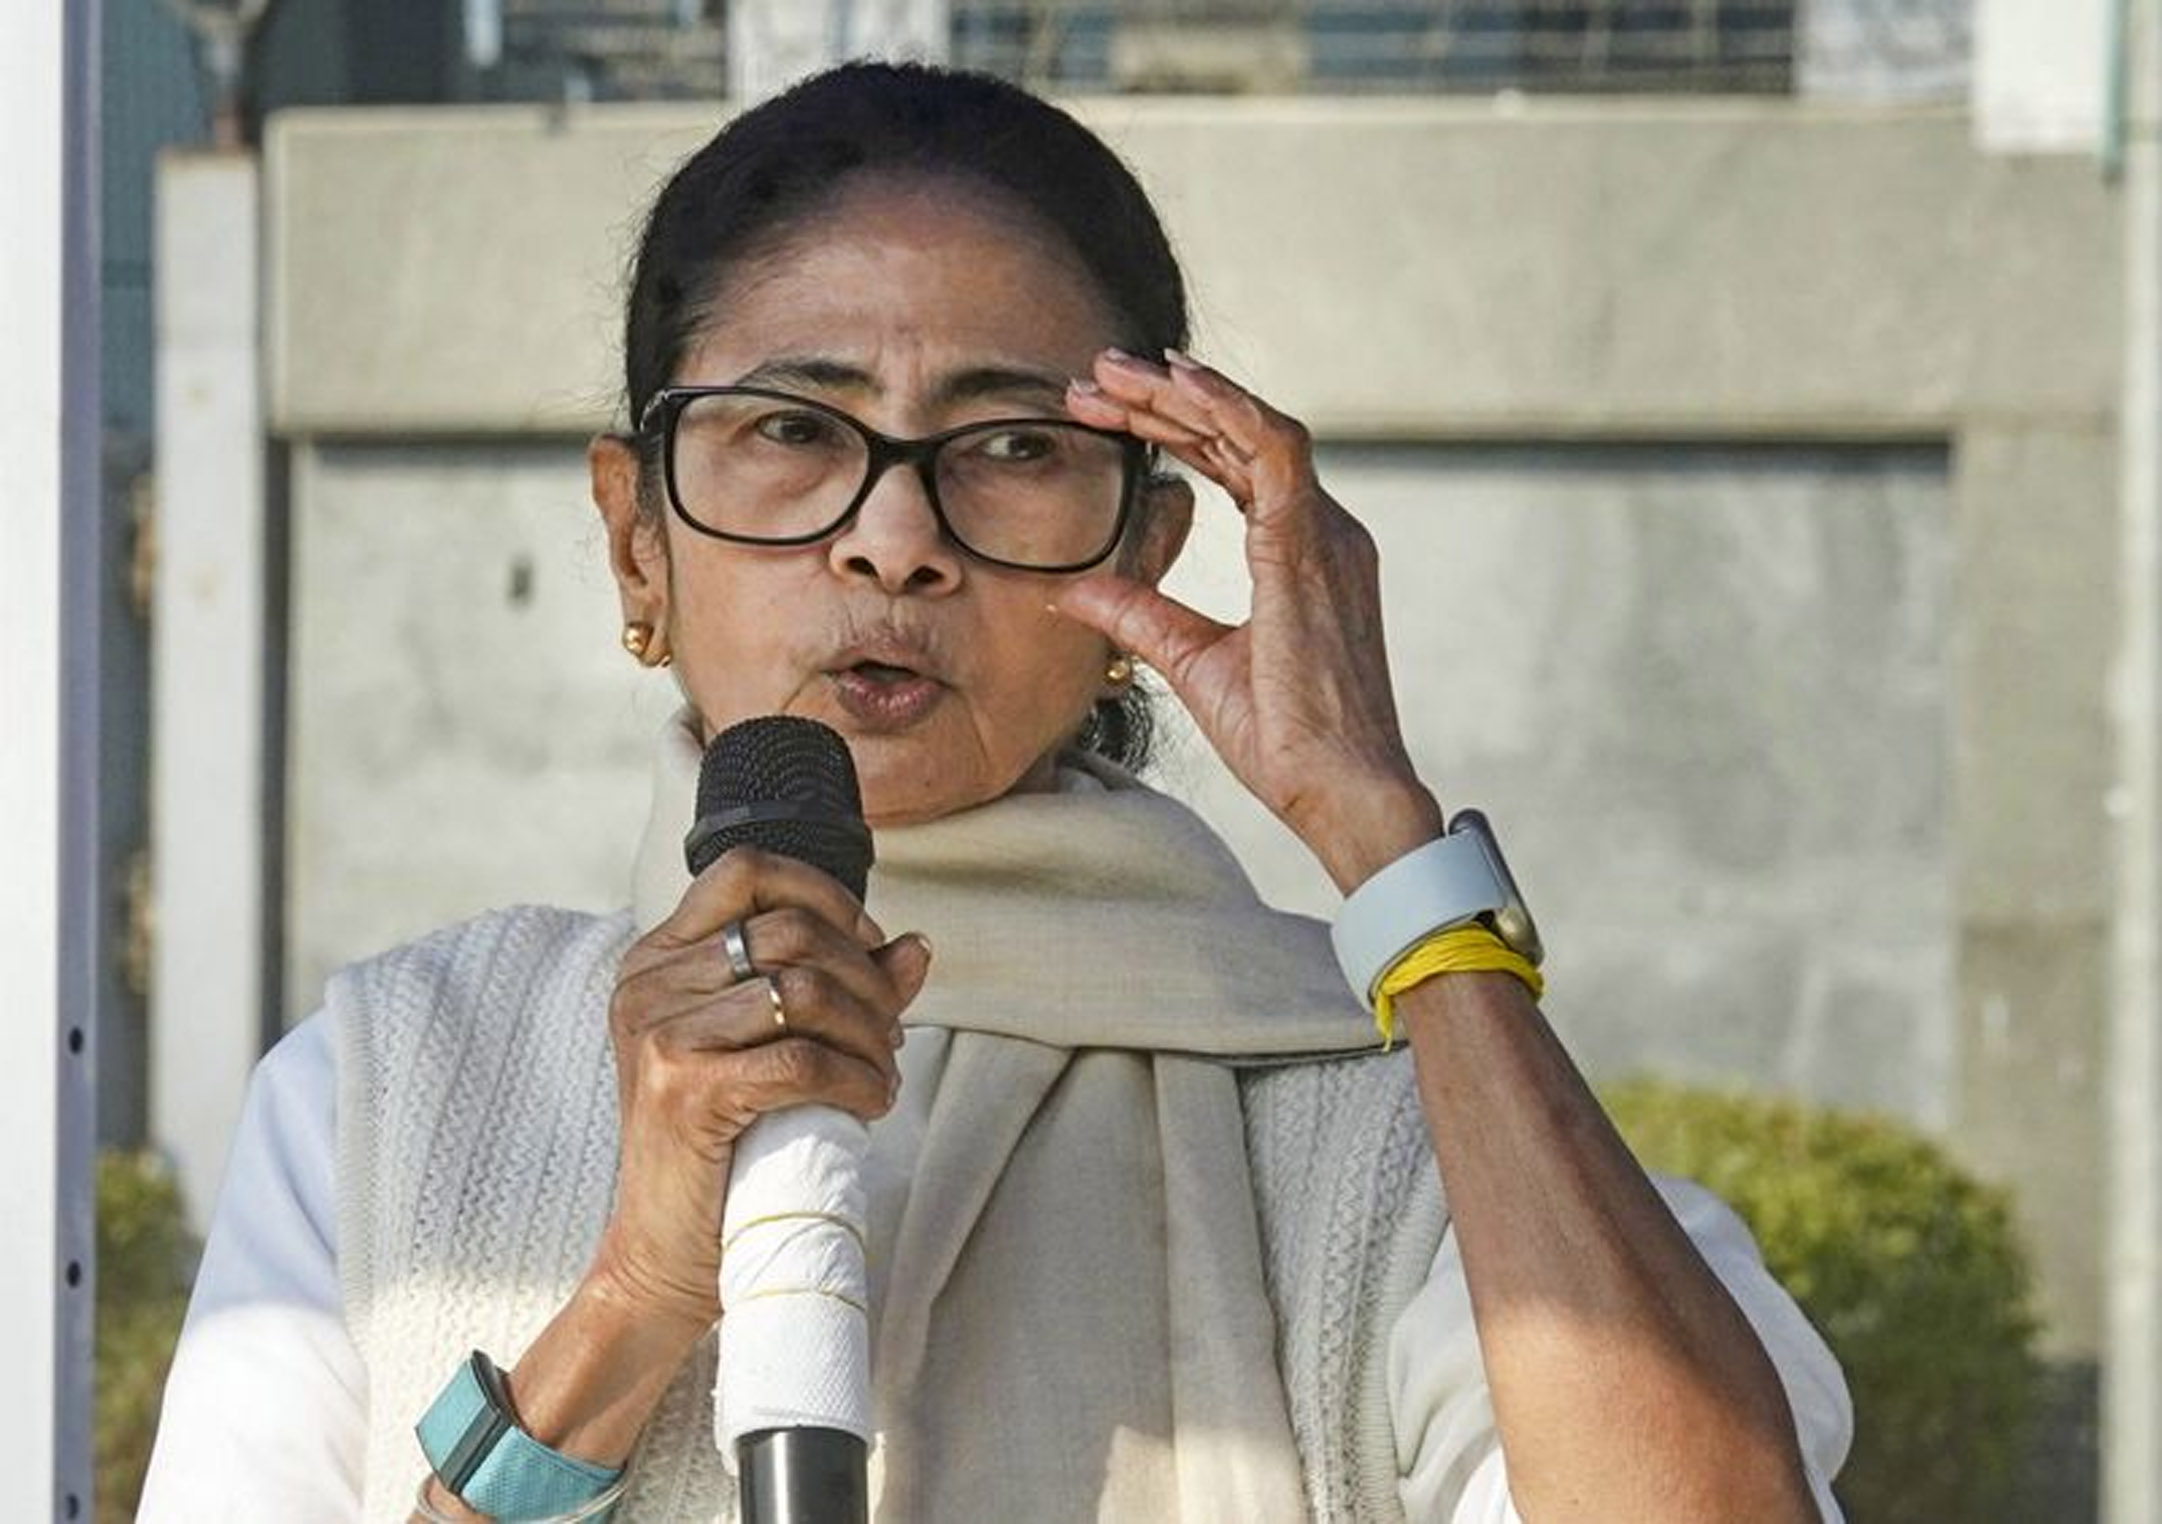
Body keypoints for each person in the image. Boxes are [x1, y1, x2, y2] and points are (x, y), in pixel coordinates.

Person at [140, 59, 1852, 1523]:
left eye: (1015, 448)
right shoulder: (399, 1087)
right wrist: (630, 1306)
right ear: (633, 538)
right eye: (791, 432)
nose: (894, 538)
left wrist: (1383, 841)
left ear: (1145, 552)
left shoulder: (1406, 1135)